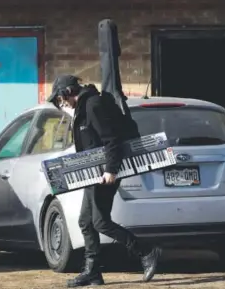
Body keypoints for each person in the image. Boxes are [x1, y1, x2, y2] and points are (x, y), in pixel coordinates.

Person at [47, 75, 162, 288]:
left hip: (105, 174)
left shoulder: (93, 105)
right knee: (85, 221)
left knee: (100, 222)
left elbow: (111, 139)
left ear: (68, 92)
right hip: (94, 174)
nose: (62, 104)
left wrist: (111, 169)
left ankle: (146, 251)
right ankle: (93, 273)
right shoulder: (83, 107)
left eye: (61, 99)